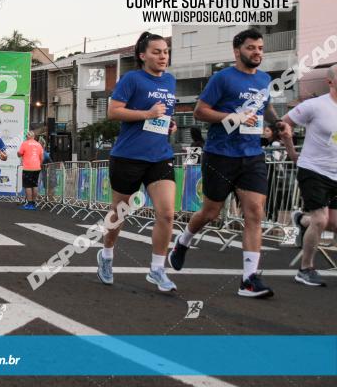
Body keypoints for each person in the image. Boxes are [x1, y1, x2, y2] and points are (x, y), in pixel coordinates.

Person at [169, 29, 282, 298]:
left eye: (260, 48)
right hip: (221, 154)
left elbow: (265, 107)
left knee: (254, 212)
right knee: (210, 212)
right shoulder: (222, 78)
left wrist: (277, 124)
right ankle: (183, 241)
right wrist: (234, 117)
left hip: (252, 155)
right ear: (237, 51)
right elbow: (200, 111)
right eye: (251, 48)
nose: (257, 52)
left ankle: (249, 279)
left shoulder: (265, 79)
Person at [97, 32, 179, 292]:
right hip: (128, 156)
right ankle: (107, 254)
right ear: (143, 56)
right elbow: (113, 111)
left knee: (167, 213)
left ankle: (157, 269)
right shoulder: (132, 79)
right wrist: (148, 113)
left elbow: (162, 116)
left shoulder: (170, 81)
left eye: (165, 51)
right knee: (119, 213)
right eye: (156, 51)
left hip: (160, 156)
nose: (163, 56)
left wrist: (169, 124)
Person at [280, 63, 337, 287]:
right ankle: (305, 269)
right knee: (321, 219)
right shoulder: (314, 106)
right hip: (313, 169)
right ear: (330, 81)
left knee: (332, 223)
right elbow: (283, 123)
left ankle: (301, 220)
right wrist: (292, 151)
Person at [17, 131, 45, 210]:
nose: (26, 137)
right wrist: (39, 164)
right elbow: (42, 158)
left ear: (28, 136)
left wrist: (18, 154)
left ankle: (29, 204)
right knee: (34, 185)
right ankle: (33, 203)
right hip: (37, 167)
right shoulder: (39, 144)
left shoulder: (25, 143)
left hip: (28, 167)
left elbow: (19, 154)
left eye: (26, 136)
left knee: (28, 186)